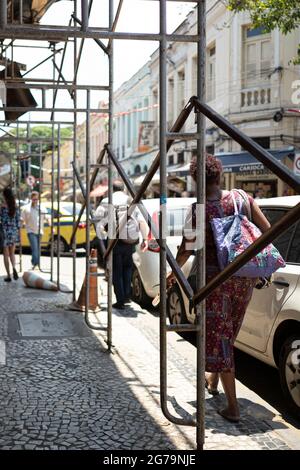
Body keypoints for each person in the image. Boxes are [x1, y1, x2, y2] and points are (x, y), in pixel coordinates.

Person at [167, 154, 270, 423]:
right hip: (243, 280)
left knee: (221, 338)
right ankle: (213, 382)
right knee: (229, 333)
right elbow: (267, 230)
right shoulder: (241, 198)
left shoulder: (200, 209)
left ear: (196, 180)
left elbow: (186, 249)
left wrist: (173, 271)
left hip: (216, 283)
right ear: (219, 175)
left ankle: (232, 407)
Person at [95, 180, 149, 310]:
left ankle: (120, 300)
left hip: (115, 241)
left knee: (116, 270)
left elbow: (97, 222)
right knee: (127, 267)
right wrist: (145, 239)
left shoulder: (106, 201)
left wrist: (103, 237)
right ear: (123, 188)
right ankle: (126, 295)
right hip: (130, 240)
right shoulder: (131, 200)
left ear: (111, 189)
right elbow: (142, 221)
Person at [21, 191, 45, 270]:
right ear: (31, 199)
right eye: (34, 199)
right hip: (30, 231)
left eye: (37, 199)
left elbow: (47, 217)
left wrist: (52, 226)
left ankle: (34, 262)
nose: (35, 201)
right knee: (35, 248)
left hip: (39, 230)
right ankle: (36, 263)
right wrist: (23, 224)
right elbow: (22, 219)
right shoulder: (26, 208)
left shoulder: (41, 207)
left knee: (37, 248)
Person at [0, 187, 20, 282]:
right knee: (12, 253)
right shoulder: (15, 207)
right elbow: (18, 222)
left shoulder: (3, 207)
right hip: (14, 232)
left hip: (5, 232)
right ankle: (14, 268)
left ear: (4, 196)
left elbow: (3, 221)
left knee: (5, 254)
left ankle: (8, 275)